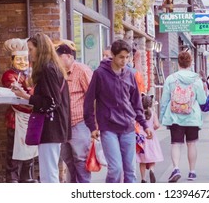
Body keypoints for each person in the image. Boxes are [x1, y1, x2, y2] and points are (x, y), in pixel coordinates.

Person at [83, 39, 152, 183]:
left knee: (130, 171)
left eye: (127, 57)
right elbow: (88, 101)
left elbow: (136, 103)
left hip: (128, 127)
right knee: (115, 169)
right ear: (112, 55)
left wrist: (144, 125)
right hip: (108, 128)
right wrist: (91, 126)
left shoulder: (129, 74)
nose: (124, 61)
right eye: (121, 57)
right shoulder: (100, 74)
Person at [11, 33, 70, 183]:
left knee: (48, 173)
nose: (29, 54)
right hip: (54, 125)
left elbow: (50, 101)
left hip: (51, 126)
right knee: (49, 170)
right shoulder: (53, 68)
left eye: (31, 49)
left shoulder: (48, 69)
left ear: (40, 49)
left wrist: (25, 97)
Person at [160, 51, 207, 182]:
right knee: (191, 144)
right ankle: (192, 172)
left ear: (178, 63)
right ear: (190, 63)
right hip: (192, 118)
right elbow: (202, 101)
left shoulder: (171, 78)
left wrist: (162, 118)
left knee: (176, 144)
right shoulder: (196, 79)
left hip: (175, 117)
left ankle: (176, 168)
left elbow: (164, 100)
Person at [55, 39, 93, 183]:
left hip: (79, 122)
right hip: (62, 124)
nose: (57, 61)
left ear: (69, 56)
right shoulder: (58, 73)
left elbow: (93, 96)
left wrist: (95, 124)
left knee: (81, 159)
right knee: (67, 158)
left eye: (59, 58)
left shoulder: (82, 70)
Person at [1, 38, 37, 183]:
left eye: (25, 59)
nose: (22, 62)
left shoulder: (30, 74)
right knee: (13, 149)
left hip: (30, 116)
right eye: (19, 59)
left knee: (30, 147)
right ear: (12, 60)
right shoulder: (9, 75)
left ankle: (26, 175)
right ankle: (12, 177)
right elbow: (17, 90)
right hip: (16, 118)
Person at [136, 93, 163, 183]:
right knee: (152, 157)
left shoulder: (139, 113)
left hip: (141, 138)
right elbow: (157, 125)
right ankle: (152, 170)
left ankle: (143, 179)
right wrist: (152, 129)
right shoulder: (153, 113)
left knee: (142, 160)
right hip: (151, 137)